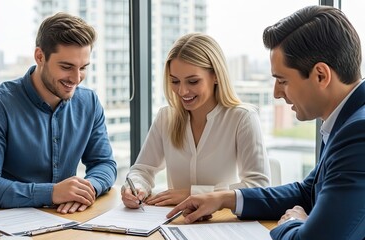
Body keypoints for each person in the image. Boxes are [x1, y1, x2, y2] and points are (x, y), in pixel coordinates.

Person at [167, 5, 365, 240]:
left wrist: (291, 222)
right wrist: (224, 198)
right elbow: (307, 192)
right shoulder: (345, 121)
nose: (276, 94)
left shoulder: (357, 133)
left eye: (282, 80)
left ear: (321, 75)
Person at [0, 12, 117, 214]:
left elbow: (104, 163)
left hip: (63, 221)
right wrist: (52, 193)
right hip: (2, 226)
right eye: (66, 67)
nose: (76, 78)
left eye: (83, 68)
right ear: (40, 56)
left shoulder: (89, 102)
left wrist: (88, 189)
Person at [122, 33, 271, 209]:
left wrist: (193, 194)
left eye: (193, 81)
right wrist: (136, 187)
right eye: (175, 81)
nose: (183, 91)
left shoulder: (242, 118)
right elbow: (142, 170)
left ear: (215, 76)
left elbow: (259, 187)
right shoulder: (166, 117)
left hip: (222, 223)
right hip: (175, 221)